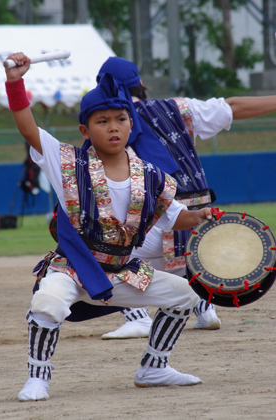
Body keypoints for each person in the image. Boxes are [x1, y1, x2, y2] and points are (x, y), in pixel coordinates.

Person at [5, 52, 213, 401]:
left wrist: (201, 216)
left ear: (132, 125)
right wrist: (15, 82)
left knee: (185, 294)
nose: (113, 126)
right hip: (73, 268)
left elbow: (175, 217)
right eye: (102, 121)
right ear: (85, 129)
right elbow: (27, 127)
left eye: (120, 118)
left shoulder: (151, 176)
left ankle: (154, 367)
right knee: (47, 302)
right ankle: (37, 378)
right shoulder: (67, 162)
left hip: (121, 272)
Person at [94, 56, 276, 340]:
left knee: (100, 252)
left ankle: (138, 317)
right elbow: (233, 107)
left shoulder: (107, 123)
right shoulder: (175, 108)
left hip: (163, 229)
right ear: (141, 84)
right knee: (171, 257)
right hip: (201, 234)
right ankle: (205, 311)